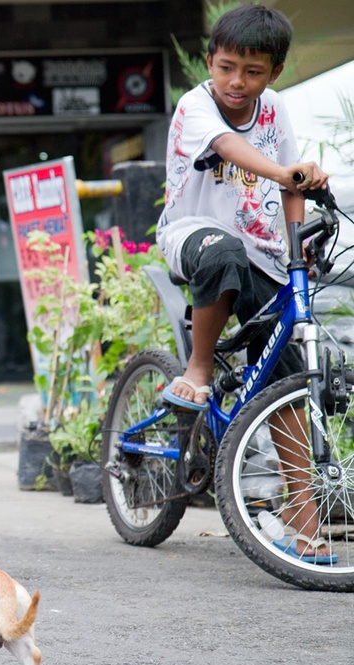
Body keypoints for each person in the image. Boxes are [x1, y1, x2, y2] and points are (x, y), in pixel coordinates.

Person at [156, 5, 332, 561]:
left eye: (252, 72)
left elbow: (291, 184)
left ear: (273, 73)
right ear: (210, 61)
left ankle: (305, 521)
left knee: (288, 381)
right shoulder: (196, 105)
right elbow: (235, 150)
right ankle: (198, 368)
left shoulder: (274, 109)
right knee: (223, 252)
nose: (237, 82)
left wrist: (297, 245)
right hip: (192, 234)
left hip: (261, 252)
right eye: (227, 67)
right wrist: (286, 172)